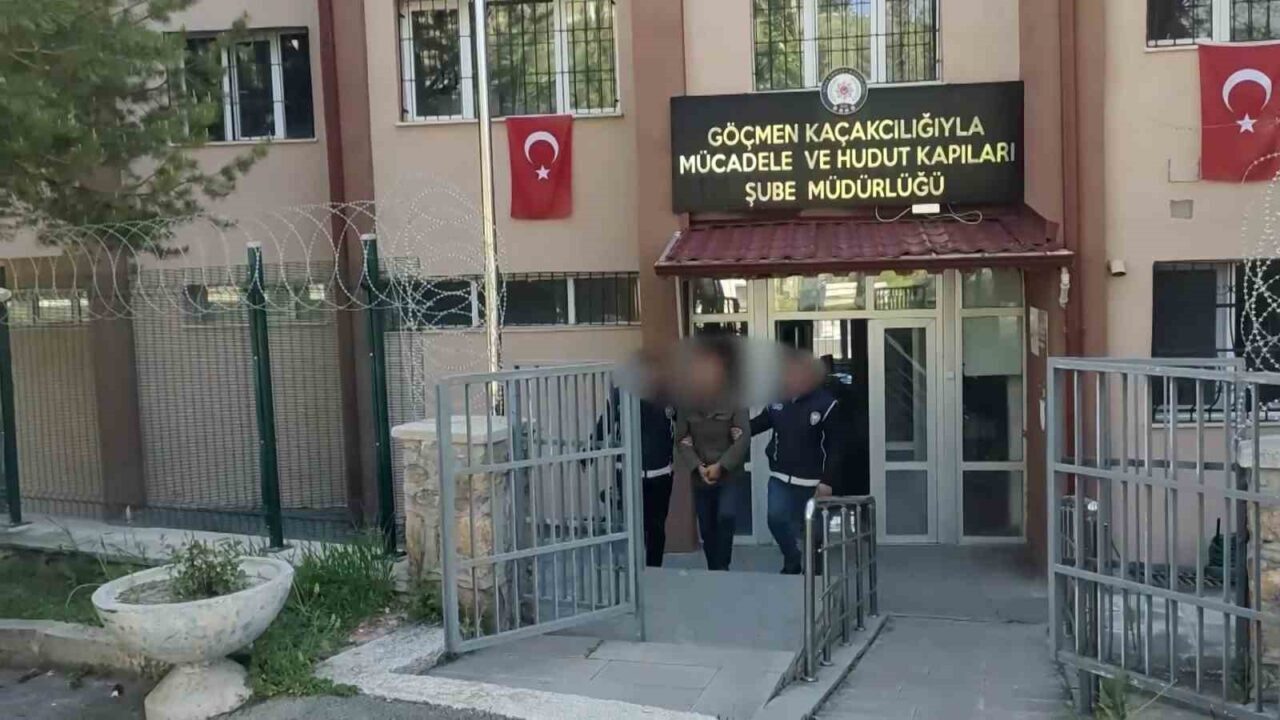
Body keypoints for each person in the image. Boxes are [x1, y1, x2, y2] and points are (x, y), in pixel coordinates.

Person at [751, 352, 842, 575]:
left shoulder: (826, 404)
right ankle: (792, 558)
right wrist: (732, 429)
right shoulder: (777, 401)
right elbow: (758, 424)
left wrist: (827, 481)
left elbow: (837, 447)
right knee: (776, 519)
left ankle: (816, 578)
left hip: (813, 482)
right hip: (781, 477)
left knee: (815, 534)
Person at [674, 404, 750, 571]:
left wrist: (721, 466)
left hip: (728, 472)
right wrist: (697, 466)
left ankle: (723, 567)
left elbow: (743, 438)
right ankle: (713, 569)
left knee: (726, 515)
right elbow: (681, 440)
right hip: (701, 474)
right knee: (707, 526)